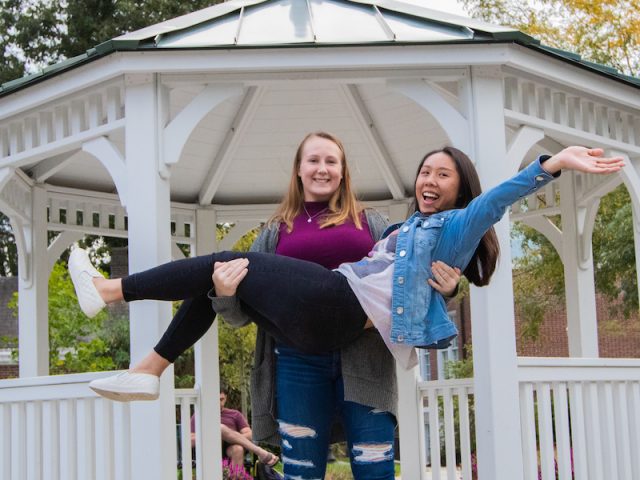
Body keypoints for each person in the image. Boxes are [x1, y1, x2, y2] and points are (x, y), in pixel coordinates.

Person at [71, 145, 622, 398]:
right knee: (220, 275)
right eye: (424, 170)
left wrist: (552, 164)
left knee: (223, 260)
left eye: (444, 175)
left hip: (340, 305)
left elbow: (496, 202)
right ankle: (148, 371)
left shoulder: (454, 227)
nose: (430, 179)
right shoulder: (405, 230)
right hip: (320, 329)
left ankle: (110, 289)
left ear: (461, 189)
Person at [79, 132, 460, 479]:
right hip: (296, 360)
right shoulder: (277, 230)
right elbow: (237, 316)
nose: (322, 169)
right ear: (298, 170)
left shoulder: (372, 223)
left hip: (363, 360)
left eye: (331, 161)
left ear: (344, 172)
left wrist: (448, 289)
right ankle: (139, 349)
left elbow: (407, 279)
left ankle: (131, 329)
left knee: (374, 467)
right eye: (313, 160)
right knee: (302, 471)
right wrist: (224, 295)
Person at [190, 387, 277, 468]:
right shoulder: (199, 415)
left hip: (230, 449)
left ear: (226, 398)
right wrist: (217, 435)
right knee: (219, 428)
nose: (219, 403)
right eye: (215, 400)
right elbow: (191, 439)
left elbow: (249, 434)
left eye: (221, 399)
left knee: (238, 449)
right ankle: (260, 452)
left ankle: (235, 476)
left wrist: (230, 438)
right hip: (208, 450)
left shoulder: (235, 414)